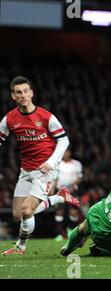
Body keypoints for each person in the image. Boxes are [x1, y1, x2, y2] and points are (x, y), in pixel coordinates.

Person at [0, 76, 79, 255]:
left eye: (26, 91)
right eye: (18, 92)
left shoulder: (45, 116)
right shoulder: (10, 119)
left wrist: (51, 161)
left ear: (31, 93)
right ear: (13, 96)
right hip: (26, 170)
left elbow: (63, 140)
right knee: (17, 214)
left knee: (27, 210)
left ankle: (20, 247)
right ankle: (58, 198)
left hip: (46, 170)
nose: (23, 95)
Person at [53, 148, 84, 241]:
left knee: (73, 212)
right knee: (59, 212)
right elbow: (55, 178)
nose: (65, 153)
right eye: (64, 152)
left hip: (72, 191)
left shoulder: (77, 164)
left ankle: (71, 231)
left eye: (67, 151)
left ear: (70, 152)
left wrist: (72, 185)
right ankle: (59, 234)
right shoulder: (58, 164)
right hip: (60, 191)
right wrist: (53, 189)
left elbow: (79, 177)